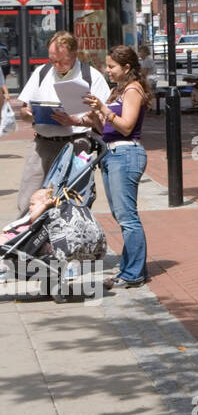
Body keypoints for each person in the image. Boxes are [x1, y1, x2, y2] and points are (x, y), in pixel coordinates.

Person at [11, 31, 112, 215]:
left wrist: (76, 120)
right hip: (42, 144)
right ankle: (27, 240)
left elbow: (103, 123)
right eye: (52, 60)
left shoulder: (91, 76)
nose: (56, 66)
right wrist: (30, 114)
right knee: (28, 200)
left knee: (73, 200)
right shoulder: (42, 72)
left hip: (76, 145)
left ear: (74, 54)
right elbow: (24, 110)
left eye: (62, 61)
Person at [80, 45, 150, 289]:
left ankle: (133, 274)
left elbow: (127, 126)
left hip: (126, 153)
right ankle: (133, 269)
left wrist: (104, 110)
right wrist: (89, 117)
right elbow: (107, 129)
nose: (107, 70)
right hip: (112, 153)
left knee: (127, 217)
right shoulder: (116, 91)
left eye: (112, 66)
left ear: (127, 67)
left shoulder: (133, 90)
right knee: (122, 216)